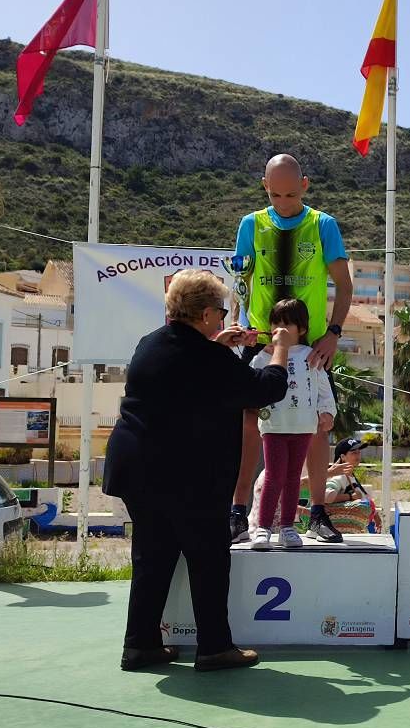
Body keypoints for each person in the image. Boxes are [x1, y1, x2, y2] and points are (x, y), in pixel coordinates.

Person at [104, 270, 290, 672]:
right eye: (221, 314)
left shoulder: (148, 344)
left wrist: (218, 346)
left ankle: (140, 645)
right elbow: (266, 388)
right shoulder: (210, 358)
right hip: (188, 475)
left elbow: (191, 369)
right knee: (207, 559)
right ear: (205, 314)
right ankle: (214, 647)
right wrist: (281, 349)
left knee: (152, 557)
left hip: (137, 468)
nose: (224, 321)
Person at [229, 153, 353, 545]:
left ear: (305, 184)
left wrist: (332, 333)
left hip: (309, 348)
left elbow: (344, 286)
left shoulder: (323, 225)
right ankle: (237, 511)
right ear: (265, 186)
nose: (282, 201)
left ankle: (316, 512)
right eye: (275, 193)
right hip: (261, 343)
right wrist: (240, 324)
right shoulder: (251, 224)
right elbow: (241, 282)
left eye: (290, 193)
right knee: (250, 426)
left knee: (317, 426)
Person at [249, 298, 336, 550]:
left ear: (302, 329)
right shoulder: (264, 356)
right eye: (276, 323)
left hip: (303, 427)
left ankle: (287, 527)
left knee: (293, 478)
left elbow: (323, 388)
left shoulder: (310, 355)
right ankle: (263, 528)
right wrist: (262, 355)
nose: (281, 329)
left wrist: (327, 412)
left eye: (288, 324)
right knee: (273, 476)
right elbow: (254, 380)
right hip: (274, 427)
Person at [323, 437, 382, 534]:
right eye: (353, 452)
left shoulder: (350, 477)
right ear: (342, 457)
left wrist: (375, 514)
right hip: (343, 535)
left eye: (359, 452)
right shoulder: (339, 477)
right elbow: (326, 496)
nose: (358, 455)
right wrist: (350, 496)